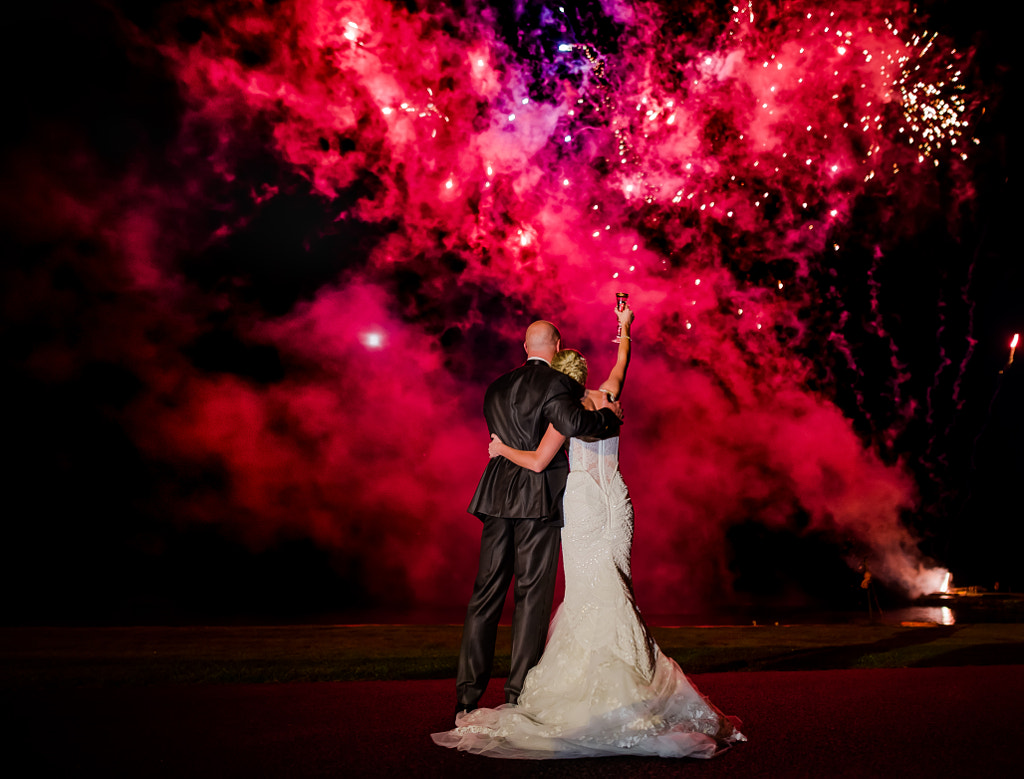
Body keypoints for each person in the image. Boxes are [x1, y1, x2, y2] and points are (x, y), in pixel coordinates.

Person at [433, 304, 746, 759]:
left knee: (518, 594)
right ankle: (581, 679)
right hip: (611, 500)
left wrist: (500, 449)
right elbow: (620, 367)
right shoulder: (603, 398)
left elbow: (539, 456)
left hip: (550, 500)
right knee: (600, 586)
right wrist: (624, 331)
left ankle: (473, 693)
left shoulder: (534, 398)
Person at [455, 320, 623, 720]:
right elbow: (575, 424)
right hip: (537, 497)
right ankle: (518, 695)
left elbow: (501, 438)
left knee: (485, 596)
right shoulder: (556, 384)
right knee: (531, 597)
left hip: (496, 494)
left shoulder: (495, 387)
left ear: (523, 344)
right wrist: (610, 418)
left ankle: (466, 695)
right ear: (557, 345)